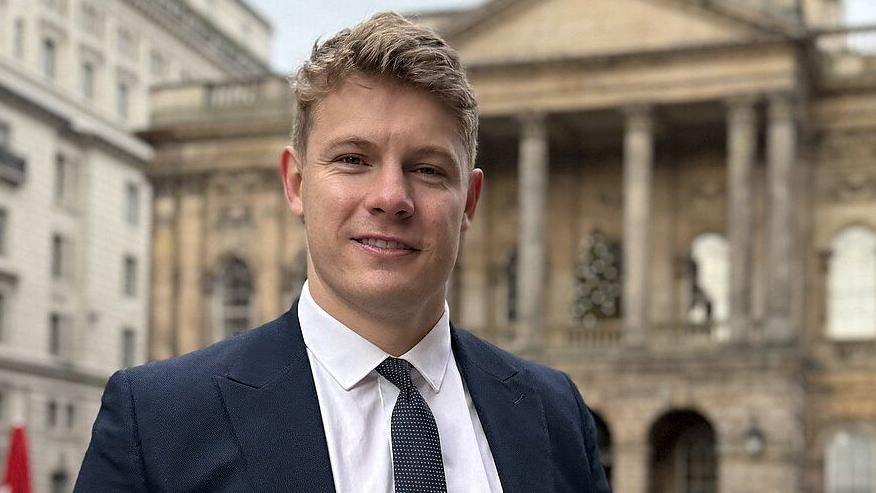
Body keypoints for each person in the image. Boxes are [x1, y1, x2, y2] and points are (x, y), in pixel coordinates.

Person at [75, 12, 610, 493]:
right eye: (354, 160)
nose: (391, 198)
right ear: (296, 183)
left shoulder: (555, 414)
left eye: (427, 169)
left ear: (468, 200)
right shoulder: (158, 420)